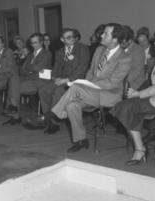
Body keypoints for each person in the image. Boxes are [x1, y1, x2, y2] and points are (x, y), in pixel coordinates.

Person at [47, 23, 131, 152]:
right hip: (90, 92)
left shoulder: (124, 58)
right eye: (103, 33)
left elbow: (112, 83)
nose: (101, 35)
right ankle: (81, 140)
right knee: (71, 105)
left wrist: (87, 85)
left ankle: (55, 115)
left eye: (106, 34)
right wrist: (86, 83)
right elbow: (90, 72)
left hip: (110, 95)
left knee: (75, 88)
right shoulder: (99, 50)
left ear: (114, 39)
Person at [110, 28, 155, 165]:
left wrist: (138, 93)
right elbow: (151, 81)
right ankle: (140, 148)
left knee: (126, 108)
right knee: (126, 107)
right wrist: (136, 93)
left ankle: (140, 149)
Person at [23, 28, 90, 133]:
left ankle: (52, 120)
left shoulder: (83, 48)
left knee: (58, 91)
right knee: (44, 89)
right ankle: (49, 120)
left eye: (71, 36)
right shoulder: (59, 52)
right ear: (62, 40)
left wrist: (66, 79)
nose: (70, 39)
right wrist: (54, 78)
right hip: (61, 79)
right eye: (67, 37)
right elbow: (56, 68)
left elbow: (82, 68)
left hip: (75, 80)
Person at [5, 33, 52, 119]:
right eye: (32, 43)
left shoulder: (46, 54)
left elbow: (37, 67)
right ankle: (14, 109)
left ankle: (14, 113)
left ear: (41, 43)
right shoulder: (30, 55)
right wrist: (31, 69)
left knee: (13, 88)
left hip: (39, 81)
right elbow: (22, 70)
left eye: (35, 42)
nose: (33, 45)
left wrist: (29, 67)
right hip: (28, 79)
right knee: (13, 79)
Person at [120, 26, 145, 90]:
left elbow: (134, 73)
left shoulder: (138, 51)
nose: (119, 44)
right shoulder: (119, 48)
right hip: (119, 82)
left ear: (130, 41)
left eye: (123, 43)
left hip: (133, 86)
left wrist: (116, 80)